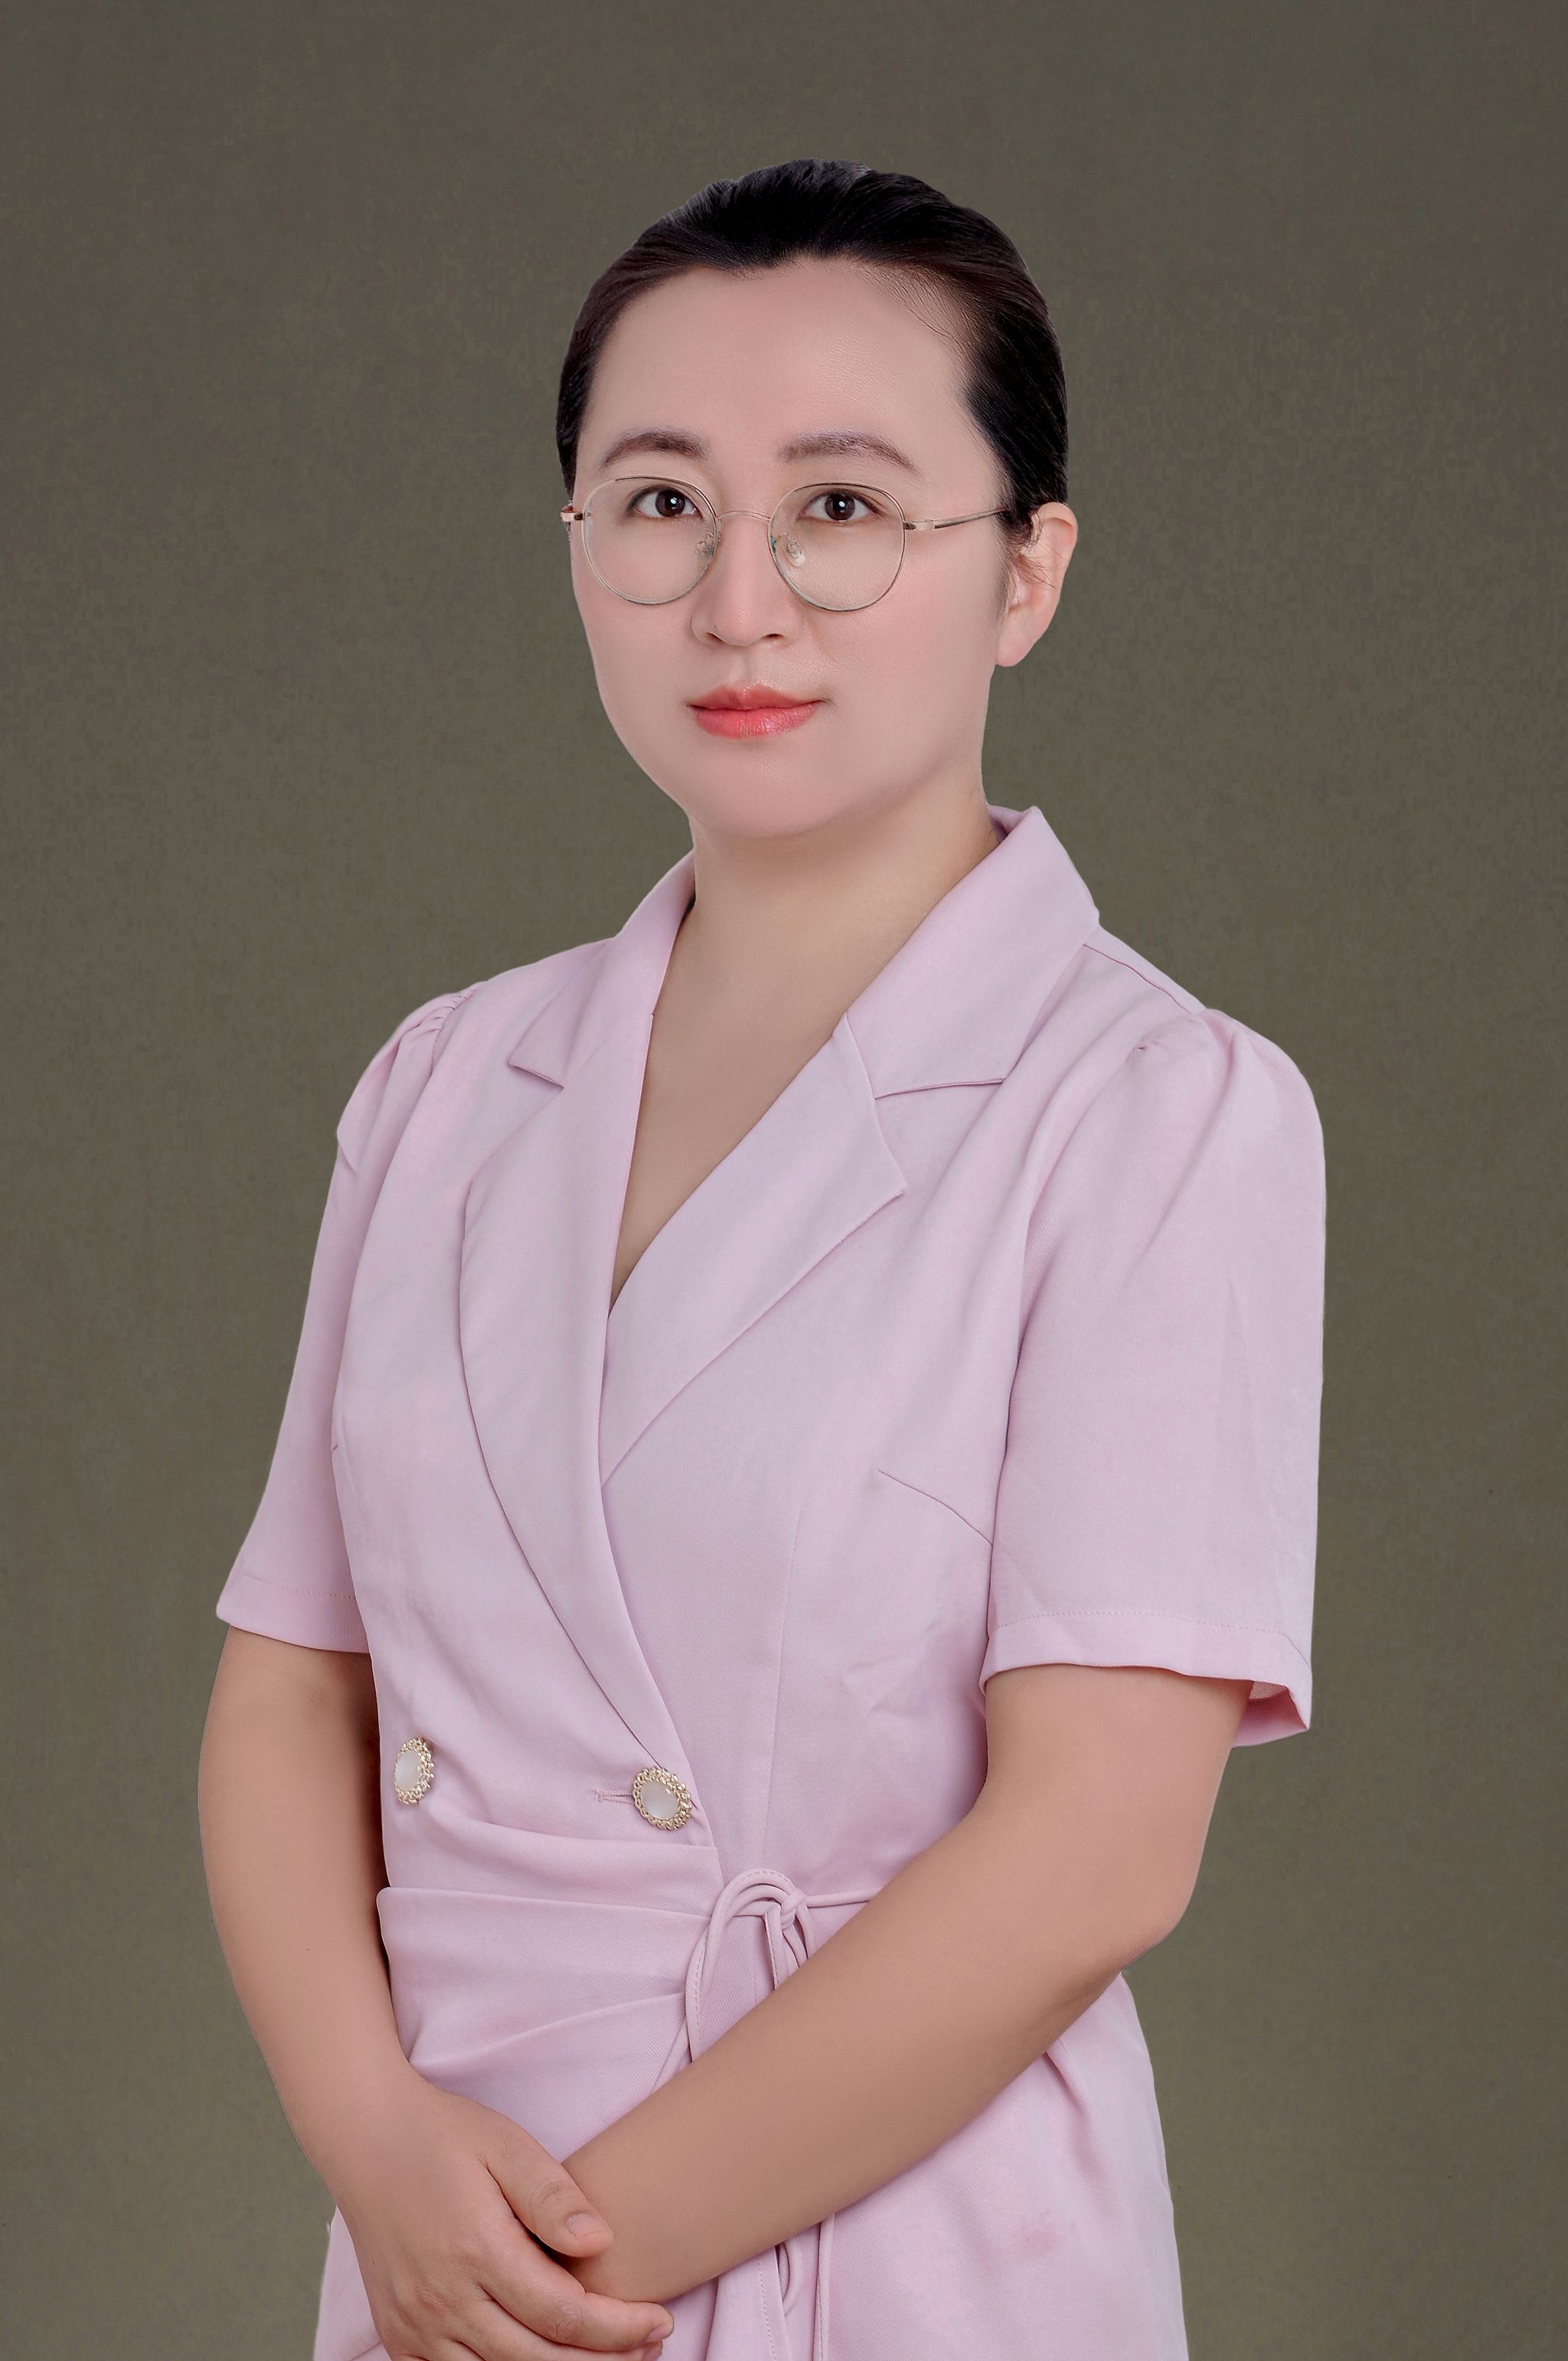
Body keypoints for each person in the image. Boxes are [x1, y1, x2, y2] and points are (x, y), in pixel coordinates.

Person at [198, 158, 1325, 2361]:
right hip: (439, 2221)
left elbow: (1098, 1846)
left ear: (1026, 572)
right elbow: (290, 1687)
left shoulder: (1155, 1106)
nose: (740, 603)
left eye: (842, 509)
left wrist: (551, 2271)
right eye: (659, 504)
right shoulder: (447, 1081)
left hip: (870, 2248)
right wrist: (375, 2150)